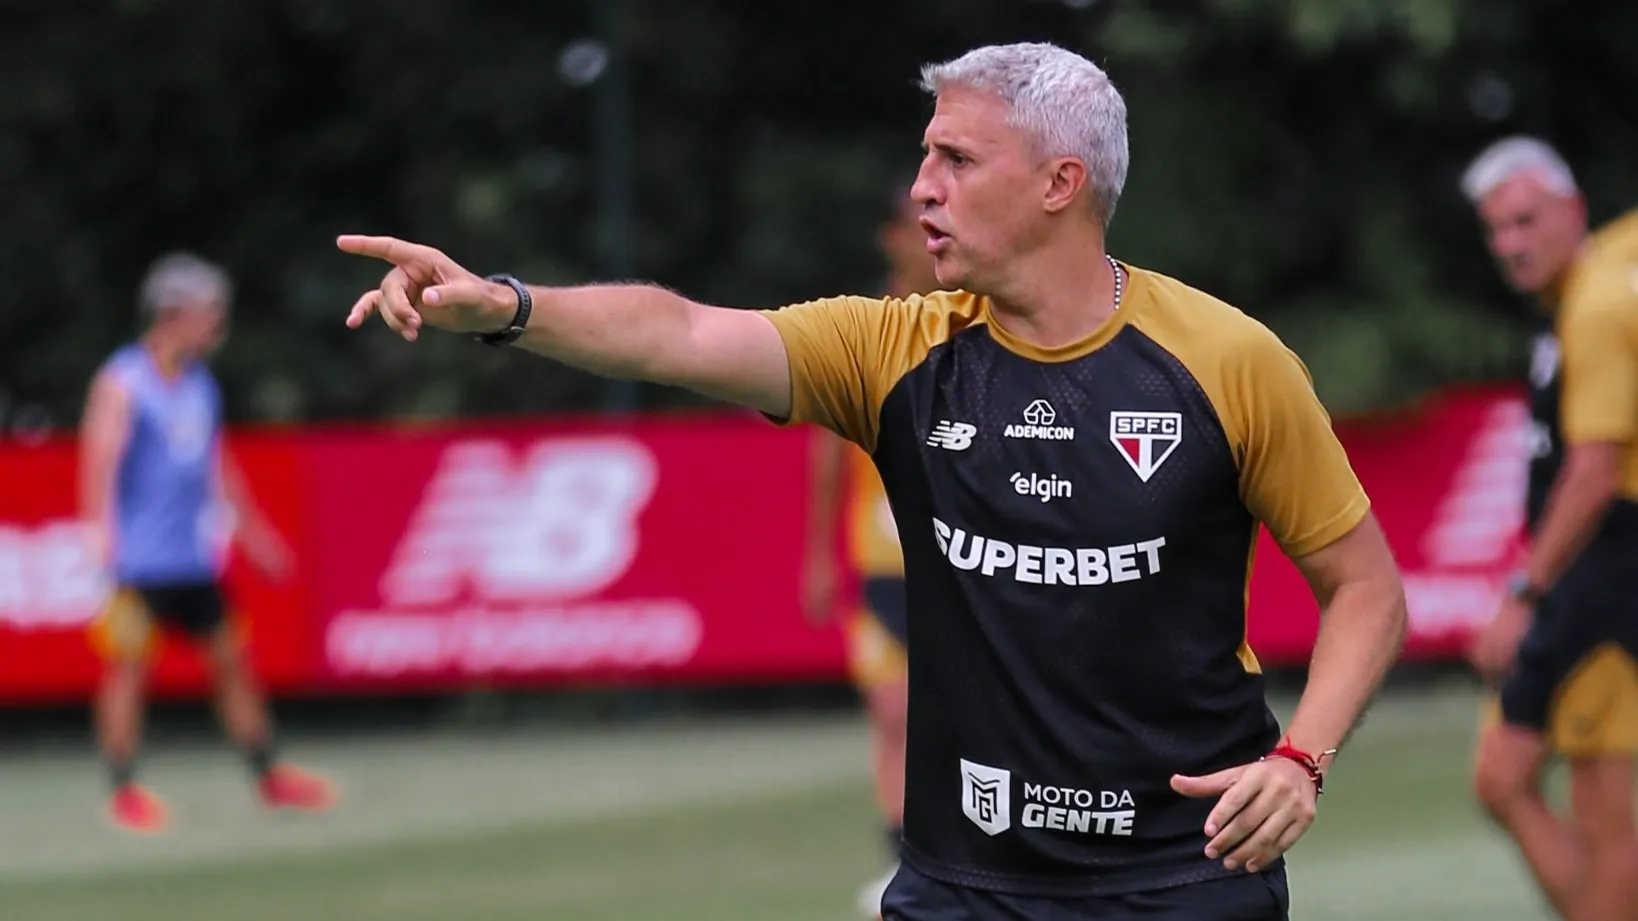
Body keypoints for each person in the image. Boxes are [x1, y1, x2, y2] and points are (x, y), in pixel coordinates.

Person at [339, 41, 1406, 920]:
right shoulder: (894, 352)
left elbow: (1366, 588)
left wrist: (1301, 757)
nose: (920, 188)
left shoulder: (1230, 363)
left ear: (1058, 184)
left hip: (1185, 881)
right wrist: (506, 307)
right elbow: (678, 332)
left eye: (955, 159)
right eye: (923, 154)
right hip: (962, 887)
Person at [81, 252, 337, 833]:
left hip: (193, 561)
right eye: (209, 312)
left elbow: (217, 464)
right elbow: (100, 459)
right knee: (126, 672)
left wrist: (254, 534)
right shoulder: (122, 381)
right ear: (173, 313)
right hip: (139, 566)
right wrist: (97, 532)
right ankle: (124, 790)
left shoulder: (200, 383)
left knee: (232, 665)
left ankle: (269, 776)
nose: (217, 323)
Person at [1463, 137, 1638, 921]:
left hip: (1607, 572)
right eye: (1496, 229)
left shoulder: (1600, 302)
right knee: (1500, 776)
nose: (1511, 244)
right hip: (1579, 580)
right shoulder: (1587, 284)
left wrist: (1524, 593)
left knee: (1604, 803)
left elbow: (1594, 469)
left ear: (1572, 209)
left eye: (1527, 221)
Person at [802, 177, 941, 918]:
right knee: (893, 711)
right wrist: (818, 554)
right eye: (914, 227)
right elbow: (827, 452)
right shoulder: (867, 329)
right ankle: (902, 864)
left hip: (956, 559)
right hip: (882, 562)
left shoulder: (970, 321)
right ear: (892, 238)